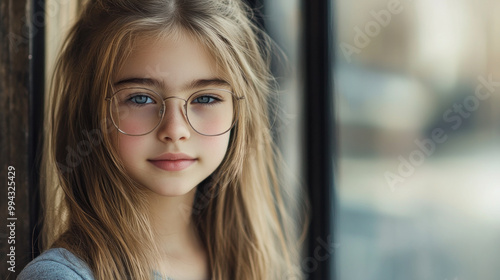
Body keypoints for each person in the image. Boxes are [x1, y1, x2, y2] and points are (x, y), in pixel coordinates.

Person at [18, 0, 306, 279]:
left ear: (239, 112)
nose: (175, 129)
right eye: (141, 98)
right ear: (89, 112)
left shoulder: (252, 259)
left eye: (206, 98)